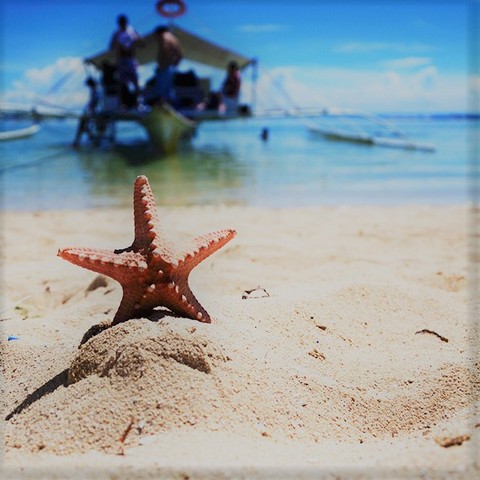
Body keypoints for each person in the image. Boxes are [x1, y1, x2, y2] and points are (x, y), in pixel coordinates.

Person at [109, 14, 142, 108]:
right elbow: (111, 47)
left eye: (123, 23)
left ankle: (137, 102)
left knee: (135, 82)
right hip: (121, 60)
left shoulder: (132, 32)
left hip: (131, 60)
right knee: (122, 83)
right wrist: (119, 45)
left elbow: (141, 43)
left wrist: (134, 41)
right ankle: (122, 103)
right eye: (120, 23)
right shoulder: (117, 33)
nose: (122, 25)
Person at [153, 26, 183, 104]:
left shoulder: (164, 37)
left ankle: (162, 110)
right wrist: (173, 65)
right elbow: (180, 55)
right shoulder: (174, 39)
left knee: (161, 93)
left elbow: (165, 49)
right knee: (168, 92)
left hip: (165, 67)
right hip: (170, 68)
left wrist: (162, 65)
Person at [72, 77, 99, 147]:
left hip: (91, 112)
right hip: (89, 112)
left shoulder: (95, 92)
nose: (88, 87)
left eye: (89, 85)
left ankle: (77, 142)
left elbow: (93, 104)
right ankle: (91, 139)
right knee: (83, 126)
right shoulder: (95, 91)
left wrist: (89, 111)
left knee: (82, 126)